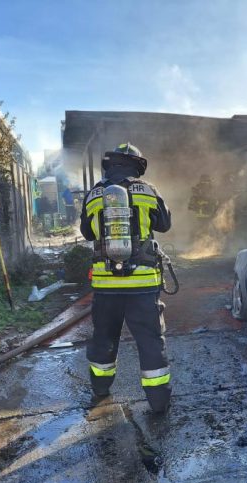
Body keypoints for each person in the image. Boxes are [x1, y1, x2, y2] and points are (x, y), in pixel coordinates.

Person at [80, 143, 173, 414]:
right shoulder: (148, 190)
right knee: (150, 342)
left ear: (110, 165)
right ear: (137, 165)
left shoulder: (95, 194)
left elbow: (87, 233)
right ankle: (159, 402)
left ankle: (100, 390)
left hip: (106, 285)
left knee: (104, 339)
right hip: (143, 285)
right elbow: (165, 225)